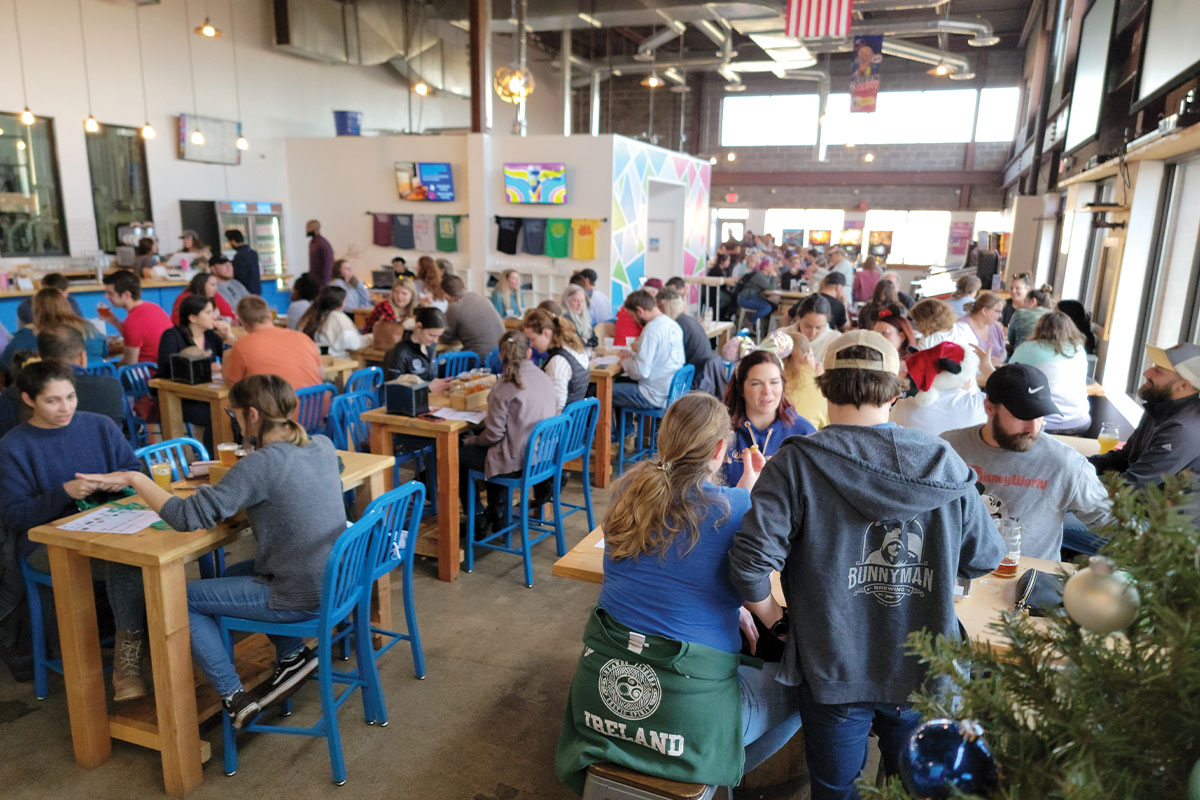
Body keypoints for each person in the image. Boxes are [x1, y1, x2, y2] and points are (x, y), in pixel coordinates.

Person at [728, 330, 1005, 800]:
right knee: (912, 790)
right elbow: (985, 558)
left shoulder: (797, 463)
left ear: (823, 384)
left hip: (831, 664)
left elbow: (748, 565)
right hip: (924, 663)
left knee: (835, 790)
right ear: (896, 386)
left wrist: (781, 624)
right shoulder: (943, 461)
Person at [555, 393, 801, 792]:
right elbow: (745, 564)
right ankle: (714, 775)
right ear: (722, 449)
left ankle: (695, 773)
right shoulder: (737, 507)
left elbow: (667, 573)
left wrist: (730, 604)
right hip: (685, 717)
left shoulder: (627, 493)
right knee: (805, 690)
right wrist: (748, 495)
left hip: (597, 697)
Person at [80, 375, 347, 727]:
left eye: (232, 413)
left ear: (251, 415)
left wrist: (135, 479)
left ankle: (235, 697)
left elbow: (185, 516)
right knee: (237, 575)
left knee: (180, 597)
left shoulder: (259, 465)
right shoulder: (322, 445)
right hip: (336, 582)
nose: (233, 419)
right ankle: (293, 654)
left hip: (300, 593)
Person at [0, 361, 149, 700]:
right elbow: (15, 516)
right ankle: (129, 659)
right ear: (28, 399)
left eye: (70, 397)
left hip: (106, 524)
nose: (65, 407)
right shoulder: (13, 446)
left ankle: (157, 640)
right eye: (52, 401)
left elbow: (132, 470)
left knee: (153, 552)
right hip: (44, 544)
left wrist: (113, 482)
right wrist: (63, 493)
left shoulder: (100, 426)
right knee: (127, 561)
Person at [942, 364, 1112, 560]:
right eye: (1021, 416)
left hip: (1032, 580)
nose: (1032, 427)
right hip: (959, 571)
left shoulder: (1065, 463)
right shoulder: (949, 449)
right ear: (989, 407)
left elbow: (1111, 522)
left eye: (1039, 415)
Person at [459, 331, 556, 532]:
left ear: (500, 356)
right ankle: (497, 510)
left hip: (518, 461)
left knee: (457, 456)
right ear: (529, 353)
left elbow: (493, 435)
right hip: (542, 457)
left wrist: (472, 440)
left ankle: (477, 515)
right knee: (498, 447)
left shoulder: (503, 386)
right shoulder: (544, 376)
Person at [1089, 343, 1200, 488]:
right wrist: (1079, 464)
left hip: (1155, 509)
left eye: (1158, 370)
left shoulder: (1184, 429)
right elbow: (1124, 458)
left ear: (1184, 386)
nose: (1147, 373)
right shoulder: (1159, 406)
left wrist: (1075, 480)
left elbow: (1134, 483)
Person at [0, 327, 124, 437]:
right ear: (83, 357)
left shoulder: (15, 396)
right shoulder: (112, 387)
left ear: (39, 358)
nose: (65, 408)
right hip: (107, 460)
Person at [724, 350, 815, 485]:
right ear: (741, 389)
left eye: (774, 382)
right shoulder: (721, 431)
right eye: (756, 383)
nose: (767, 391)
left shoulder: (804, 433)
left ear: (783, 386)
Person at [158, 295, 235, 448]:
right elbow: (167, 369)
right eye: (208, 312)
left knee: (234, 411)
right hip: (180, 398)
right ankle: (211, 458)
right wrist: (204, 366)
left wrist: (229, 336)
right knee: (221, 416)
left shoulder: (210, 336)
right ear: (193, 317)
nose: (214, 316)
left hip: (207, 395)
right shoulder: (172, 336)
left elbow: (232, 361)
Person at [1008, 311, 1091, 434]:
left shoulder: (1027, 348)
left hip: (1044, 422)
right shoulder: (1078, 350)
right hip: (1080, 419)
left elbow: (1007, 378)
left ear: (1039, 327)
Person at [223, 296, 324, 391]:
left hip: (279, 408)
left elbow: (232, 385)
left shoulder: (242, 346)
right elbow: (321, 374)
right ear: (270, 316)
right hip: (319, 406)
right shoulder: (302, 337)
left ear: (242, 322)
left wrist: (226, 354)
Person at [890, 342, 985, 436]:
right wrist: (987, 368)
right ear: (965, 377)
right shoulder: (980, 406)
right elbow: (999, 394)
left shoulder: (903, 408)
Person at [613, 290, 684, 412]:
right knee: (620, 382)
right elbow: (660, 357)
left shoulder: (651, 330)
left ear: (639, 311)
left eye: (632, 316)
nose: (633, 320)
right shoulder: (673, 325)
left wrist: (626, 360)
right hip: (672, 390)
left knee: (602, 390)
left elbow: (640, 372)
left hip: (653, 395)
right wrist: (634, 356)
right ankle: (626, 429)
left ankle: (615, 431)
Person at [657, 288, 725, 395]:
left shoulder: (675, 326)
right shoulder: (688, 320)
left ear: (662, 306)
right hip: (703, 377)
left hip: (692, 381)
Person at [99, 269, 173, 366]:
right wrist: (116, 322)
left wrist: (113, 367)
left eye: (110, 293)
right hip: (166, 369)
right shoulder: (154, 308)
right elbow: (138, 335)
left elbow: (130, 364)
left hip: (147, 374)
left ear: (126, 295)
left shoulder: (133, 321)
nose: (106, 296)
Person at [523, 308, 589, 412]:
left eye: (532, 339)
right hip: (575, 421)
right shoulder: (575, 348)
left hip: (561, 425)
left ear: (546, 333)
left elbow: (557, 409)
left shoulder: (558, 362)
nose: (531, 344)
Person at [381, 307, 450, 391]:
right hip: (408, 402)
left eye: (438, 336)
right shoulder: (399, 352)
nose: (435, 340)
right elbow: (391, 389)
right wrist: (427, 389)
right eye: (432, 335)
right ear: (418, 326)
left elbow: (430, 377)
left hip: (430, 398)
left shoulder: (430, 346)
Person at [440, 275, 505, 360]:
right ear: (464, 286)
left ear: (445, 296)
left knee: (439, 367)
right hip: (499, 355)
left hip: (478, 359)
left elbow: (445, 337)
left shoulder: (455, 307)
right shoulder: (482, 298)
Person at [298, 286, 372, 359]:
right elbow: (353, 343)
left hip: (315, 361)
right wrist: (372, 337)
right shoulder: (337, 317)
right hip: (337, 363)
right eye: (345, 301)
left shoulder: (311, 315)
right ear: (340, 302)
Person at [782, 331, 828, 429]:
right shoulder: (823, 390)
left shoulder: (769, 382)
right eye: (812, 354)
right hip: (807, 441)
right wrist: (821, 381)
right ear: (807, 358)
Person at [956, 291, 1006, 364]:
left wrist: (1000, 360)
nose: (1000, 315)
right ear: (984, 310)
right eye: (997, 311)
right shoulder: (961, 327)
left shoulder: (995, 326)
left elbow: (1003, 350)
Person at [15, 272, 83, 326]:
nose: (50, 297)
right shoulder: (27, 307)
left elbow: (78, 324)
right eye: (47, 293)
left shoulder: (71, 302)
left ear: (66, 292)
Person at [787, 294, 839, 363]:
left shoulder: (835, 340)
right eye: (808, 326)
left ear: (826, 322)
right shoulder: (783, 335)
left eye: (818, 327)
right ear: (799, 318)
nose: (812, 333)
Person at [170, 271, 235, 325]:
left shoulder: (214, 295)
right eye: (212, 285)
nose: (216, 288)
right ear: (201, 285)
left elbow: (230, 315)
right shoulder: (186, 299)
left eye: (216, 285)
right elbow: (179, 322)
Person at [736, 257, 779, 334]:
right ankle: (749, 322)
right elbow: (770, 288)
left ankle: (764, 329)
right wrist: (774, 276)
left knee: (773, 306)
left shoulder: (764, 275)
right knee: (767, 307)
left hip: (752, 298)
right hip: (745, 298)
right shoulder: (759, 275)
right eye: (771, 266)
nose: (773, 268)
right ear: (765, 267)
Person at [225, 229, 261, 295]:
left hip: (245, 291)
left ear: (233, 241)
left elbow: (239, 275)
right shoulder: (253, 253)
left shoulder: (239, 256)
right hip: (256, 289)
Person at [306, 219, 335, 287]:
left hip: (321, 282)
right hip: (313, 281)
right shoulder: (312, 243)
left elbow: (328, 263)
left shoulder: (323, 243)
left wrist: (325, 283)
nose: (307, 230)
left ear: (315, 229)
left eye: (308, 227)